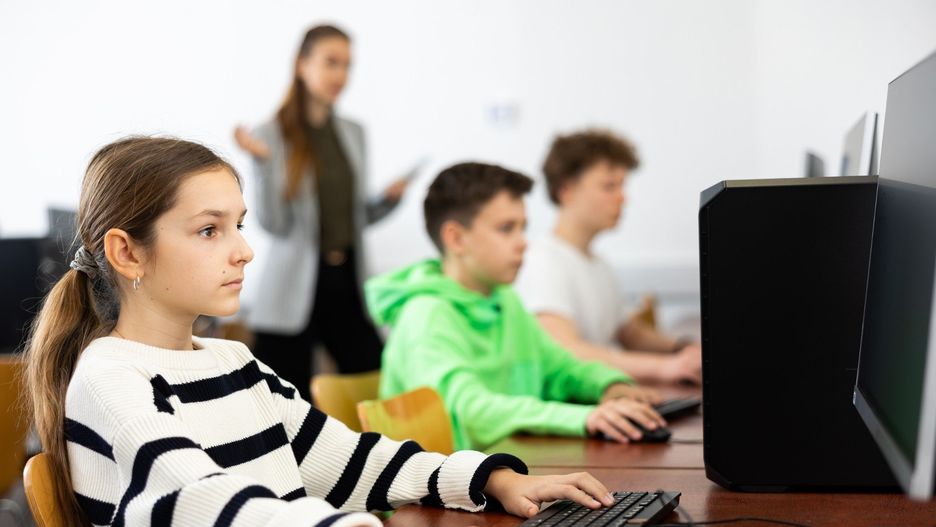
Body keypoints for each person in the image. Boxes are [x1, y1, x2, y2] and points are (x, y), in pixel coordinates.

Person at [21, 137, 620, 526]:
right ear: (127, 253)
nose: (245, 252)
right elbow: (202, 501)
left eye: (240, 225)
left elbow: (349, 462)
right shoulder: (109, 379)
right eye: (210, 230)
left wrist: (489, 476)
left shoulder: (233, 362)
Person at [366, 162, 666, 452]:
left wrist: (608, 386)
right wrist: (582, 418)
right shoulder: (426, 315)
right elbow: (471, 411)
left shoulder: (504, 300)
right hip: (440, 496)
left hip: (509, 473)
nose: (523, 243)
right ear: (456, 238)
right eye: (506, 229)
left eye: (523, 228)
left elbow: (561, 367)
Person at [233, 25, 408, 400]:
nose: (341, 76)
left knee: (377, 387)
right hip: (294, 287)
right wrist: (262, 166)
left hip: (347, 278)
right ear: (302, 64)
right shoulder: (271, 133)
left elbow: (353, 218)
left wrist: (388, 200)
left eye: (347, 66)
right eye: (331, 63)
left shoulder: (353, 132)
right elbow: (274, 224)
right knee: (284, 403)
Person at [514, 129, 702, 384]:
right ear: (566, 191)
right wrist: (665, 367)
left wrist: (683, 348)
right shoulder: (542, 261)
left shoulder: (598, 265)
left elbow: (629, 333)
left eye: (622, 186)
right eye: (609, 186)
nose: (622, 197)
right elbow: (567, 350)